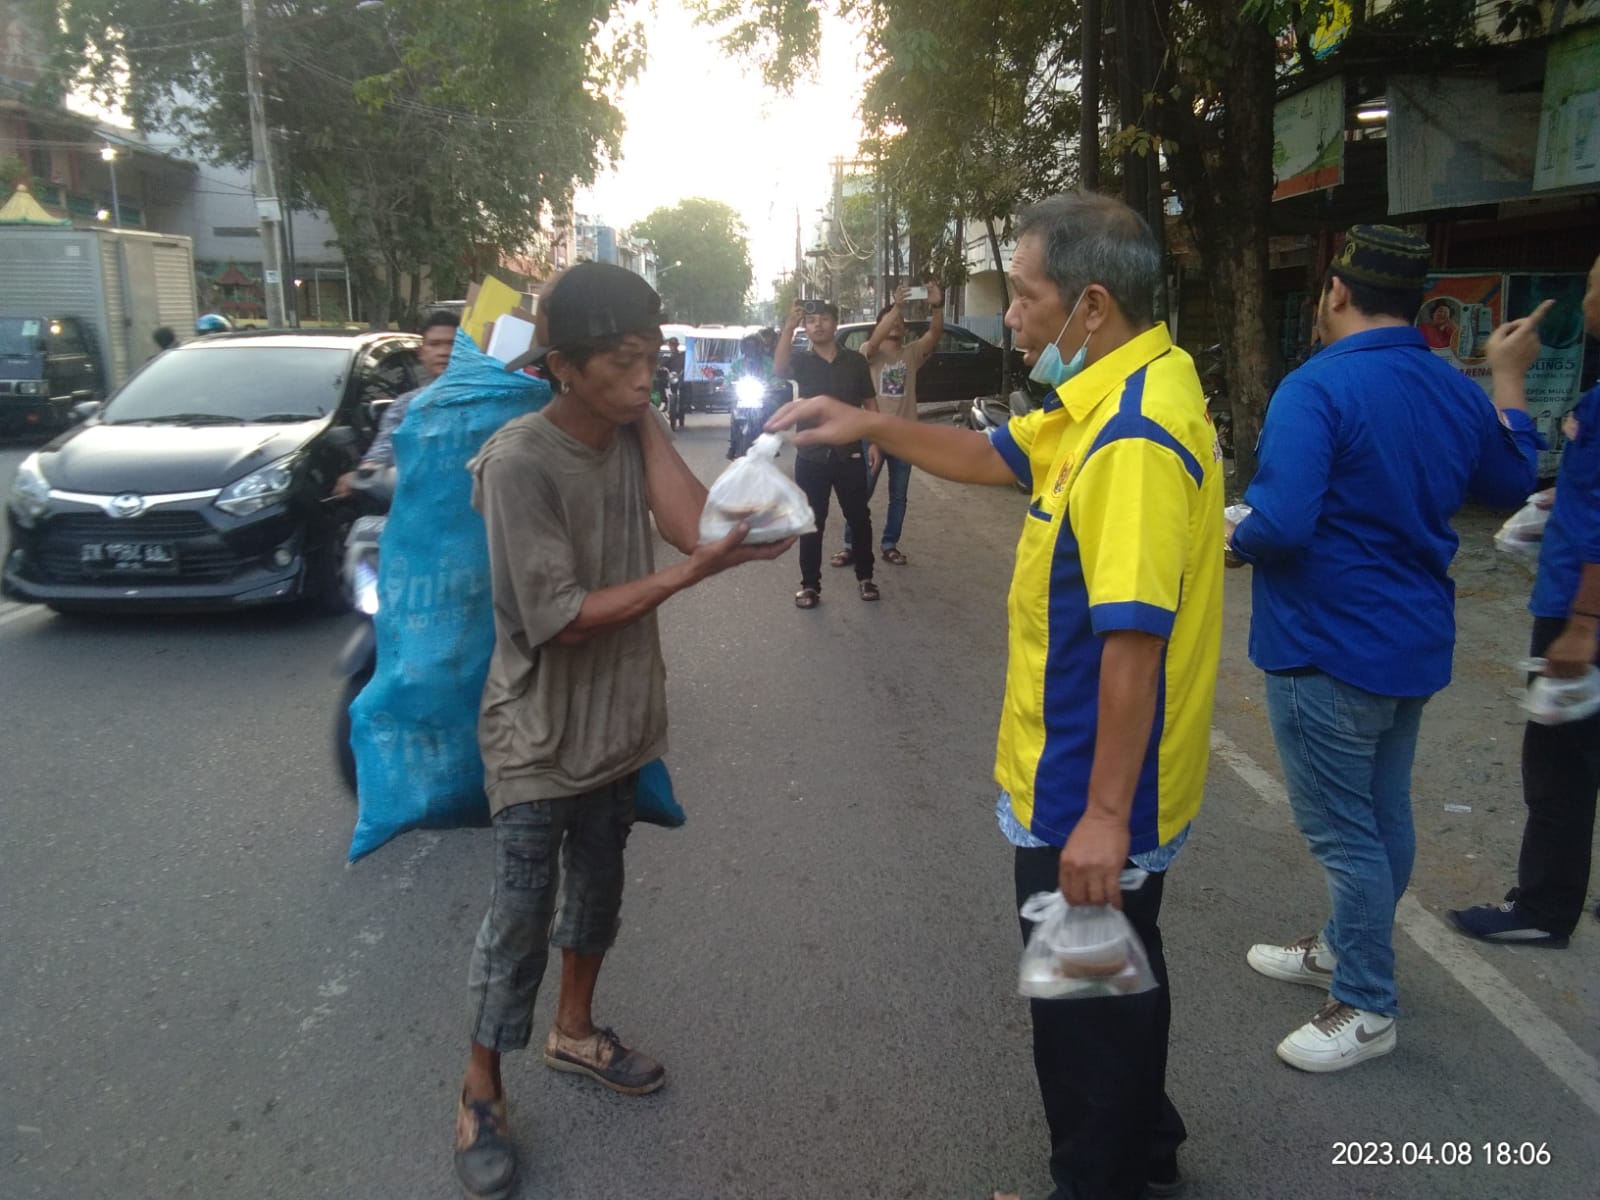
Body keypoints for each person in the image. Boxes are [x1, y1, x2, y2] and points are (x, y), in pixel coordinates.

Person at [768, 192, 1223, 1200]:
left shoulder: (1131, 439)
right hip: (1092, 775)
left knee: (1079, 1014)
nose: (1009, 316)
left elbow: (1132, 643)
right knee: (1119, 967)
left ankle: (1098, 1175)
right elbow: (991, 454)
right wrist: (865, 420)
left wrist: (1101, 817)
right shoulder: (1116, 389)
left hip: (1087, 790)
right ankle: (1146, 1140)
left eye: (1024, 295)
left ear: (1091, 305)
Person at [452, 262, 793, 1200]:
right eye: (623, 362)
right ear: (564, 367)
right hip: (536, 732)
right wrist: (698, 573)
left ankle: (574, 1032)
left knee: (598, 892)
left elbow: (689, 527)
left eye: (651, 359)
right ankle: (481, 1086)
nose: (646, 378)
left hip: (619, 721)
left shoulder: (630, 426)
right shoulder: (520, 462)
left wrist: (726, 541)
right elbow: (560, 618)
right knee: (520, 916)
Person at [1227, 225, 1543, 1074]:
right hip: (1410, 642)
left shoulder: (1315, 386)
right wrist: (1509, 382)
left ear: (1335, 291)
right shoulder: (1450, 387)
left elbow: (1281, 524)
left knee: (1345, 835)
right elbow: (1512, 482)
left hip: (1325, 645)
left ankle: (1367, 1001)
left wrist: (1234, 537)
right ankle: (1340, 946)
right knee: (1383, 813)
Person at [1449, 253, 1600, 948]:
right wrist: (1556, 502)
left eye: (1594, 287)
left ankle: (1543, 909)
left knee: (1560, 763)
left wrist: (1584, 623)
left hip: (1580, 607)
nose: (1586, 299)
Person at [774, 298, 880, 606]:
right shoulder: (802, 362)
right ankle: (810, 586)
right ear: (806, 328)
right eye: (811, 320)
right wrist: (789, 327)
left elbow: (870, 403)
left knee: (859, 518)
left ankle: (866, 577)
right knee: (812, 522)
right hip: (812, 456)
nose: (817, 324)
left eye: (823, 319)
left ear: (835, 323)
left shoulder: (855, 362)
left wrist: (876, 442)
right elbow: (779, 368)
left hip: (850, 453)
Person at [840, 281, 944, 566]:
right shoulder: (869, 353)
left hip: (904, 438)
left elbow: (935, 334)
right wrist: (896, 307)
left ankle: (890, 544)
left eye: (901, 321)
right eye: (891, 320)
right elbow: (875, 341)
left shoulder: (911, 353)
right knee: (861, 492)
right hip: (872, 436)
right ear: (881, 324)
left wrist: (937, 306)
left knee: (899, 497)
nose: (898, 323)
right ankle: (850, 545)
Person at [334, 308, 459, 497]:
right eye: (435, 344)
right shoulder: (406, 405)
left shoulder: (490, 399)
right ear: (421, 353)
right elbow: (384, 448)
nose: (444, 352)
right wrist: (364, 475)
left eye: (452, 344)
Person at [726, 331, 776, 459]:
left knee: (771, 411)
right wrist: (725, 384)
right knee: (734, 416)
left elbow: (775, 376)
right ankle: (733, 445)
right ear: (743, 347)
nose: (751, 348)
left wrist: (776, 383)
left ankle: (771, 442)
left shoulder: (768, 362)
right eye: (748, 345)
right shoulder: (737, 363)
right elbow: (730, 375)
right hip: (743, 396)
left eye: (753, 345)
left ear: (759, 347)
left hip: (763, 396)